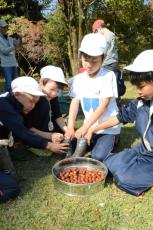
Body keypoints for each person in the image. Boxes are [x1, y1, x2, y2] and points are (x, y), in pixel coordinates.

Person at [85, 49, 153, 196]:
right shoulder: (141, 103)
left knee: (124, 179)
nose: (137, 91)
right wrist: (94, 129)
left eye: (141, 87)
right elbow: (120, 117)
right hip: (143, 150)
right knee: (106, 166)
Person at [65, 33, 120, 160]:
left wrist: (85, 127)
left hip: (106, 128)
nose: (89, 65)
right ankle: (91, 141)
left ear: (103, 58)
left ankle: (115, 138)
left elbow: (103, 105)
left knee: (98, 156)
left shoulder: (108, 76)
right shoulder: (78, 79)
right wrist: (70, 127)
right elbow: (75, 101)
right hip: (88, 126)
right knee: (67, 147)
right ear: (81, 57)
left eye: (94, 61)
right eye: (85, 60)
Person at [24, 66, 69, 150]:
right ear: (41, 83)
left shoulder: (53, 97)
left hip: (48, 128)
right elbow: (27, 127)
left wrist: (67, 130)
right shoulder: (31, 99)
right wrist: (50, 135)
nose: (54, 94)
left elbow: (57, 115)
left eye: (58, 91)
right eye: (52, 89)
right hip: (34, 132)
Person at [92, 19, 126, 98]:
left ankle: (109, 101)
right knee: (112, 83)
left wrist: (98, 64)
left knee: (107, 84)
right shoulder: (111, 34)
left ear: (99, 28)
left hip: (108, 63)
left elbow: (104, 52)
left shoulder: (107, 35)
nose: (96, 35)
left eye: (95, 32)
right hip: (111, 62)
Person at [0, 19, 20, 92]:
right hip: (6, 65)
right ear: (0, 28)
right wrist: (13, 47)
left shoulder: (10, 38)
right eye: (3, 27)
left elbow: (18, 45)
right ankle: (6, 100)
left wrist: (20, 39)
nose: (5, 29)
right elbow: (4, 51)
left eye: (6, 27)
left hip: (14, 64)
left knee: (16, 83)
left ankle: (13, 98)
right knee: (9, 84)